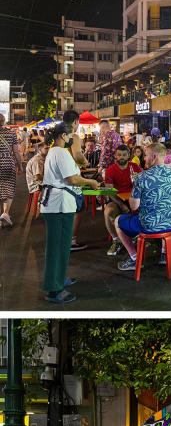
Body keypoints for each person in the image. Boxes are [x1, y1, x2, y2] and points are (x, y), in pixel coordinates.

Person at [39, 124, 100, 304]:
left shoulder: (54, 151)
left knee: (62, 246)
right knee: (57, 248)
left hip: (57, 203)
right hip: (59, 205)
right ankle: (54, 289)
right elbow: (72, 179)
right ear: (64, 136)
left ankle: (58, 278)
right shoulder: (61, 152)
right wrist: (90, 181)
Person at [114, 142, 171, 271]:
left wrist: (136, 189)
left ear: (154, 156)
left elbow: (134, 206)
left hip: (149, 225)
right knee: (164, 212)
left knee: (117, 221)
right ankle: (164, 253)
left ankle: (134, 258)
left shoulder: (142, 177)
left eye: (146, 155)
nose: (145, 158)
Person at [103, 144, 143, 256]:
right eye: (119, 155)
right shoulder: (111, 170)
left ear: (128, 155)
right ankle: (116, 241)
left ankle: (141, 236)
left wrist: (138, 180)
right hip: (117, 199)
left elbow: (142, 185)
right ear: (116, 156)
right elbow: (109, 191)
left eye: (124, 155)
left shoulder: (135, 167)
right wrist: (121, 205)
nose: (121, 157)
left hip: (134, 198)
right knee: (109, 212)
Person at [62, 110, 90, 251]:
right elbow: (78, 155)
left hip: (58, 178)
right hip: (71, 177)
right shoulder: (73, 136)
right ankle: (71, 241)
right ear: (75, 122)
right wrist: (86, 163)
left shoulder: (57, 135)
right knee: (79, 209)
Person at [0, 113, 23, 227]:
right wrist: (20, 166)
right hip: (7, 163)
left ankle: (4, 216)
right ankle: (5, 213)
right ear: (3, 122)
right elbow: (16, 152)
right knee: (9, 187)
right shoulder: (11, 133)